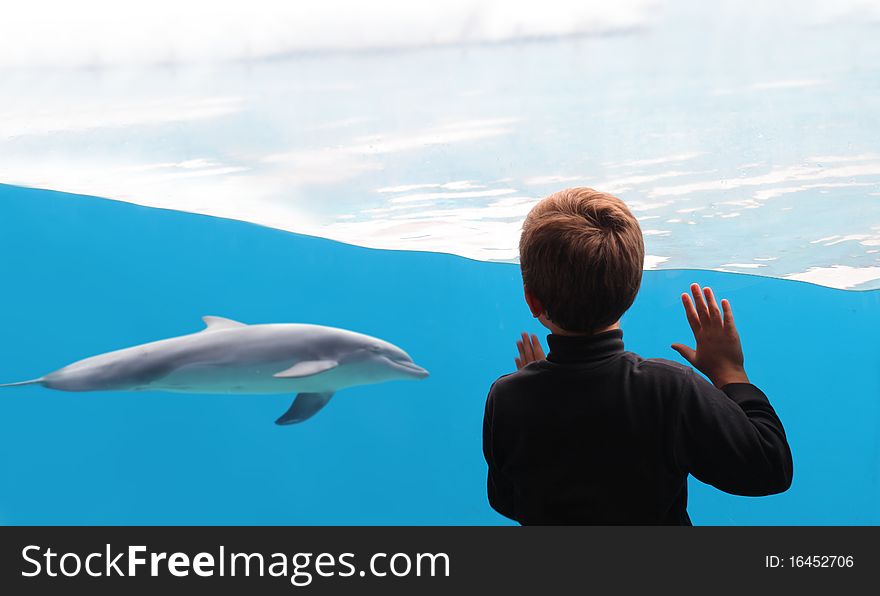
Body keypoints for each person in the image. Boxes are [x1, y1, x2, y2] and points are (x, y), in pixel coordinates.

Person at [482, 187, 793, 525]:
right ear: (632, 289)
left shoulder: (507, 397)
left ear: (532, 300)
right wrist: (730, 373)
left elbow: (506, 501)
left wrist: (534, 394)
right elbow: (770, 468)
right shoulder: (669, 389)